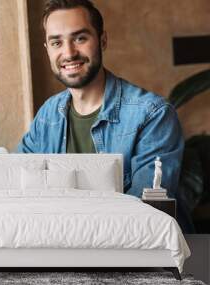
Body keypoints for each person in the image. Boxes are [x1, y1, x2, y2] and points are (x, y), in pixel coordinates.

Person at [17, 0, 192, 232]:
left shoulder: (153, 114)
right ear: (48, 49)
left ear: (102, 41)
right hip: (65, 247)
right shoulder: (47, 115)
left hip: (142, 258)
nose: (68, 53)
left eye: (80, 38)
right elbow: (15, 184)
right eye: (57, 42)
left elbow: (145, 214)